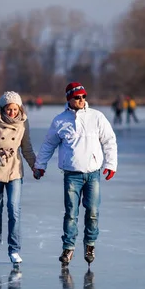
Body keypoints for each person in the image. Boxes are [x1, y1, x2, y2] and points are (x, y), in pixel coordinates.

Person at [33, 82, 117, 266]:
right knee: (71, 213)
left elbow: (109, 140)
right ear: (69, 99)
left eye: (84, 97)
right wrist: (40, 165)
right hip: (71, 175)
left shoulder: (97, 117)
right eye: (77, 97)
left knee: (93, 212)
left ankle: (90, 244)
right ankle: (68, 248)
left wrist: (111, 164)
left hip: (93, 174)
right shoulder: (60, 120)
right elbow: (49, 144)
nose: (81, 100)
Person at [0, 91, 36, 264]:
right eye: (8, 109)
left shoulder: (23, 123)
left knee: (14, 209)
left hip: (14, 171)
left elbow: (26, 148)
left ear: (19, 108)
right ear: (2, 108)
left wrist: (35, 166)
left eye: (15, 109)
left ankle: (14, 249)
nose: (12, 113)